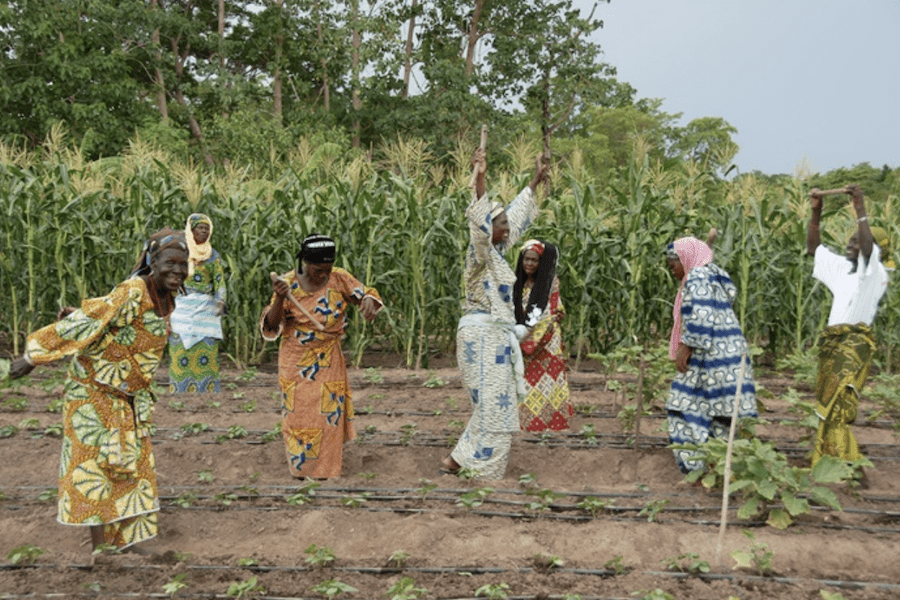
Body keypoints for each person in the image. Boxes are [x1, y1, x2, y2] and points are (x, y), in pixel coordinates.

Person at [7, 228, 188, 553]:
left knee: (130, 467)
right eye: (170, 263)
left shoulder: (167, 297)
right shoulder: (135, 290)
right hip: (93, 391)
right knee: (93, 466)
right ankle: (100, 551)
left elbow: (109, 321)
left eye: (183, 265)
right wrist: (32, 357)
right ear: (152, 260)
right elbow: (91, 318)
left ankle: (125, 545)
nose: (177, 271)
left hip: (129, 397)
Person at [440, 149, 548, 479]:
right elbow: (480, 225)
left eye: (503, 223)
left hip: (495, 337)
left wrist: (534, 181)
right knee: (493, 405)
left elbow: (515, 217)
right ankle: (481, 472)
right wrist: (481, 178)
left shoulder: (499, 253)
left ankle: (459, 462)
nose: (505, 226)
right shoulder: (480, 254)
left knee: (496, 403)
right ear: (489, 228)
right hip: (479, 336)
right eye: (498, 223)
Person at [259, 234, 382, 479]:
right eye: (318, 269)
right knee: (298, 415)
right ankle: (301, 470)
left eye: (327, 269)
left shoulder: (340, 278)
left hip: (329, 358)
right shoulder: (288, 284)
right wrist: (281, 297)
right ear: (304, 262)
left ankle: (327, 472)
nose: (323, 275)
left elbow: (366, 293)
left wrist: (368, 301)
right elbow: (272, 326)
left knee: (328, 418)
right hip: (296, 361)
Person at [806, 185, 891, 467]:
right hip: (833, 345)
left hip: (853, 346)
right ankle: (828, 458)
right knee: (825, 405)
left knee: (840, 406)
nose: (851, 244)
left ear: (876, 250)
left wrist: (860, 209)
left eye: (856, 240)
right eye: (851, 241)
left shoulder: (876, 273)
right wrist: (816, 211)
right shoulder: (844, 270)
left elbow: (868, 248)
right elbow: (813, 248)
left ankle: (844, 463)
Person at [664, 235, 757, 473]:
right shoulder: (714, 274)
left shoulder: (696, 276)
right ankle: (720, 468)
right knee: (720, 412)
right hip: (730, 357)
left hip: (712, 355)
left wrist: (686, 345)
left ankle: (694, 468)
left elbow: (702, 314)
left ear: (684, 260)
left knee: (681, 405)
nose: (672, 271)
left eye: (673, 265)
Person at [513, 239, 573, 432]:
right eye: (526, 259)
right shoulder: (516, 283)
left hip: (547, 341)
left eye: (534, 260)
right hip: (521, 340)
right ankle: (526, 423)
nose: (529, 264)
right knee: (525, 382)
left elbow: (555, 310)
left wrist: (531, 333)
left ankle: (550, 425)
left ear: (541, 262)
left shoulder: (550, 282)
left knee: (548, 382)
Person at [168, 213, 227, 393]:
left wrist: (220, 300)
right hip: (183, 306)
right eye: (200, 228)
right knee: (181, 346)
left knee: (205, 346)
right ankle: (180, 387)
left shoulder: (212, 256)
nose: (204, 231)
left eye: (207, 229)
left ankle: (206, 388)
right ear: (191, 230)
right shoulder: (181, 253)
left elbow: (219, 280)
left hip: (205, 307)